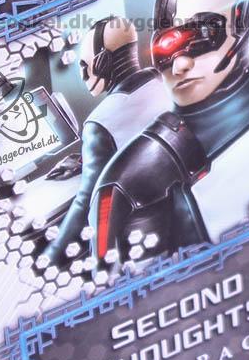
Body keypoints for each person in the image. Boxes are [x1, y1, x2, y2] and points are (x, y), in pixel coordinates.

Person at [90, 0, 249, 265]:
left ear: (244, 20)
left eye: (203, 34)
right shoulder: (133, 184)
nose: (179, 65)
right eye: (165, 48)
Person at [44, 15, 168, 265]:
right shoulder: (162, 80)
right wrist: (88, 158)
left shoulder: (99, 123)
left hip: (134, 248)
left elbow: (85, 205)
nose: (83, 74)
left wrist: (48, 259)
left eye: (85, 65)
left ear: (102, 62)